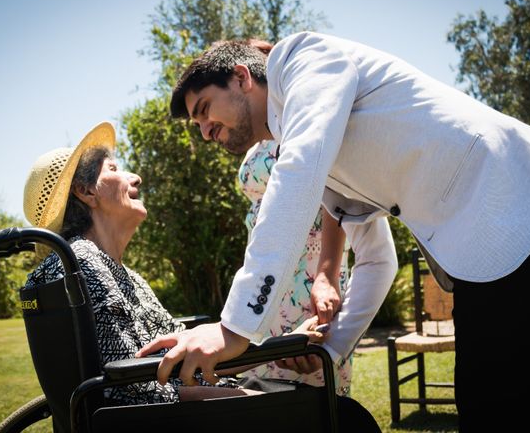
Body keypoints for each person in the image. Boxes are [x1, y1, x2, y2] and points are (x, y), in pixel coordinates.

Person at [138, 31, 530, 432]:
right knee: (485, 403)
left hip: (512, 201)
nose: (206, 131)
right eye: (197, 127)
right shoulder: (301, 136)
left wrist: (234, 328)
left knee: (499, 409)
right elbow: (364, 237)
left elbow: (299, 171)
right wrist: (329, 352)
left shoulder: (303, 58)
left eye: (204, 110)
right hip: (483, 243)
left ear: (240, 77)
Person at [22, 121, 324, 405]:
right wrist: (254, 400)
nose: (135, 177)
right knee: (330, 412)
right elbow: (135, 391)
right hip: (173, 418)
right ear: (86, 192)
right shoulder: (83, 264)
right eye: (113, 168)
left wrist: (282, 344)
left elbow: (185, 350)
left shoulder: (120, 274)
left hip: (183, 406)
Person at [237, 138, 353, 396]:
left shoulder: (305, 128)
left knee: (315, 391)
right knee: (257, 393)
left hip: (310, 275)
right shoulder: (256, 142)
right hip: (264, 282)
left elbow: (337, 197)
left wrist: (327, 273)